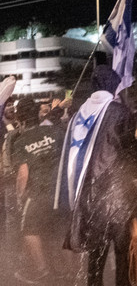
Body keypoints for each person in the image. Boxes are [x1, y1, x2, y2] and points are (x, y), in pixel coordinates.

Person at [55, 65, 137, 286]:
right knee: (122, 258)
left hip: (88, 200)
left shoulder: (78, 115)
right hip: (117, 199)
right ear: (113, 88)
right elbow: (132, 155)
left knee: (95, 262)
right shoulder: (119, 112)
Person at [10, 98, 69, 283]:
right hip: (61, 192)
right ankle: (67, 271)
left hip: (38, 193)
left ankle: (42, 271)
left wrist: (19, 197)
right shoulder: (56, 131)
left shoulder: (21, 141)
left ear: (19, 118)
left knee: (29, 230)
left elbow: (23, 174)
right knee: (60, 230)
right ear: (37, 113)